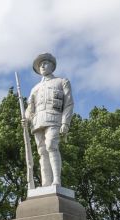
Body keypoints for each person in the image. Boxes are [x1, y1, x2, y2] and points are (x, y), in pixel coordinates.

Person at [24, 53, 74, 187]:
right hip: (37, 122)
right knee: (41, 151)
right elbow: (30, 108)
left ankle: (56, 179)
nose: (42, 66)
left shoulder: (62, 82)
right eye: (40, 65)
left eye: (45, 63)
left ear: (52, 66)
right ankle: (46, 183)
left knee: (51, 145)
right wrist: (26, 118)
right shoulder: (35, 88)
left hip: (54, 119)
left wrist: (65, 123)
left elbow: (68, 104)